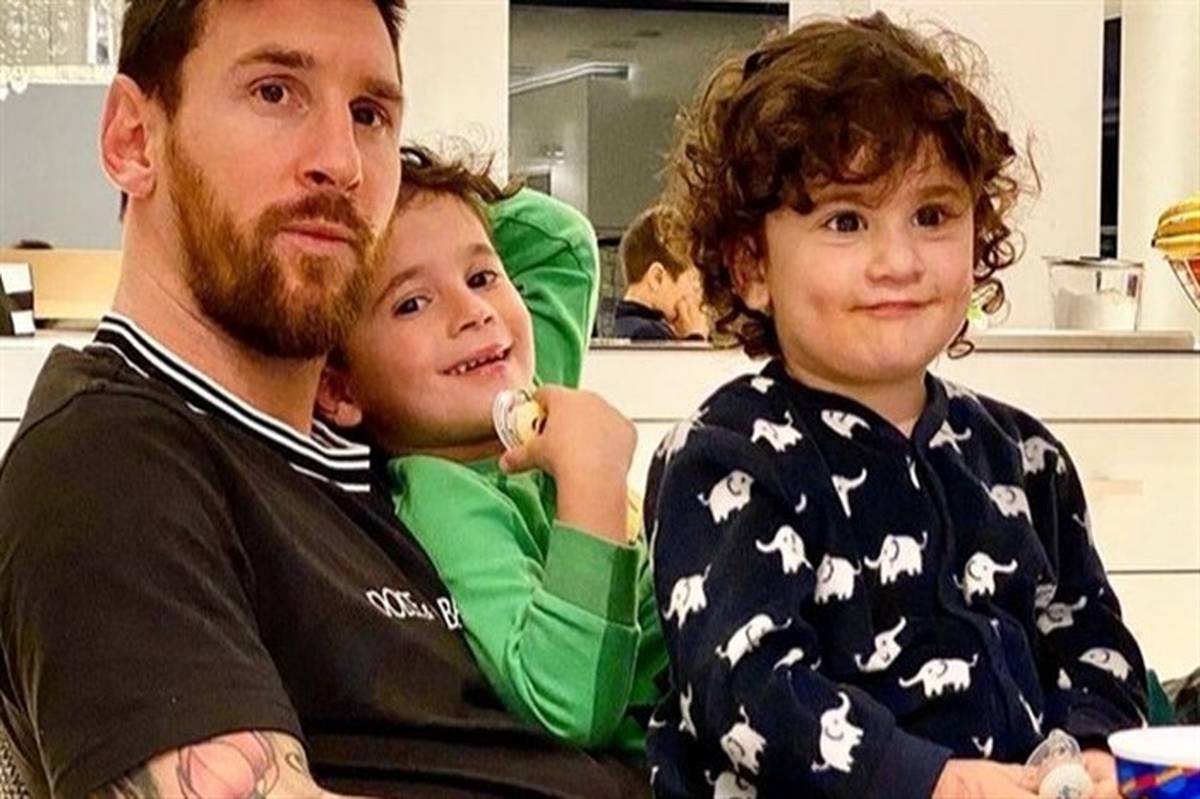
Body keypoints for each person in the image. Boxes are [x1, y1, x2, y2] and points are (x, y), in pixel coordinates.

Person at [0, 1, 646, 797]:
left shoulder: (389, 435)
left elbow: (548, 244)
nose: (343, 163)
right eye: (275, 92)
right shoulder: (108, 464)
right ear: (134, 140)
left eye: (370, 114)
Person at [643, 13, 1148, 799]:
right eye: (846, 221)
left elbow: (1093, 640)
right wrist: (933, 781)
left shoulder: (1026, 456)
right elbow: (747, 687)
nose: (899, 261)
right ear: (750, 266)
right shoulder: (723, 455)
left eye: (932, 215)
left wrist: (1096, 748)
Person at [316, 145, 667, 753]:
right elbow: (565, 701)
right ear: (341, 389)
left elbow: (564, 244)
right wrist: (593, 480)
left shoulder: (517, 391)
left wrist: (397, 184)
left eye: (482, 277)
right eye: (411, 303)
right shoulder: (445, 496)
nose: (473, 313)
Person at [613, 206, 709, 341]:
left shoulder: (620, 326)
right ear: (657, 278)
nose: (695, 296)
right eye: (693, 282)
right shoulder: (649, 335)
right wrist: (696, 337)